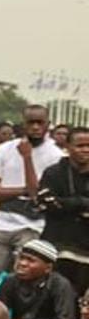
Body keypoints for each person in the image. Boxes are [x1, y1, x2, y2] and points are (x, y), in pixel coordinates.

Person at [0, 105, 65, 284]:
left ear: (48, 124)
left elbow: (36, 194)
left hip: (32, 226)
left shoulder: (56, 156)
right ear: (23, 124)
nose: (35, 127)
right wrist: (21, 191)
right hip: (0, 223)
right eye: (31, 123)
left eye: (40, 123)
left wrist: (27, 157)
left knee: (22, 280)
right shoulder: (5, 149)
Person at [37, 126, 89, 296]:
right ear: (67, 147)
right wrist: (81, 202)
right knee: (56, 296)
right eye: (80, 145)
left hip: (86, 248)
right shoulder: (53, 173)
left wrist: (66, 204)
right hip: (58, 246)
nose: (85, 150)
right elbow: (47, 204)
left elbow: (58, 204)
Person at [0, 239, 79, 319]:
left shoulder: (60, 286)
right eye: (21, 258)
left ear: (48, 268)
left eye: (31, 260)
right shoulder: (10, 280)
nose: (22, 263)